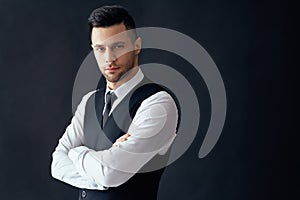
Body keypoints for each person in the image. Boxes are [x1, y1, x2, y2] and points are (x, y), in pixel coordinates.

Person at [51, 5, 179, 200]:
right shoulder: (89, 102)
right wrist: (100, 171)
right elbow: (57, 164)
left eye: (118, 46)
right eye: (100, 49)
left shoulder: (157, 104)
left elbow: (109, 173)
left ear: (137, 45)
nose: (109, 58)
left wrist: (76, 153)